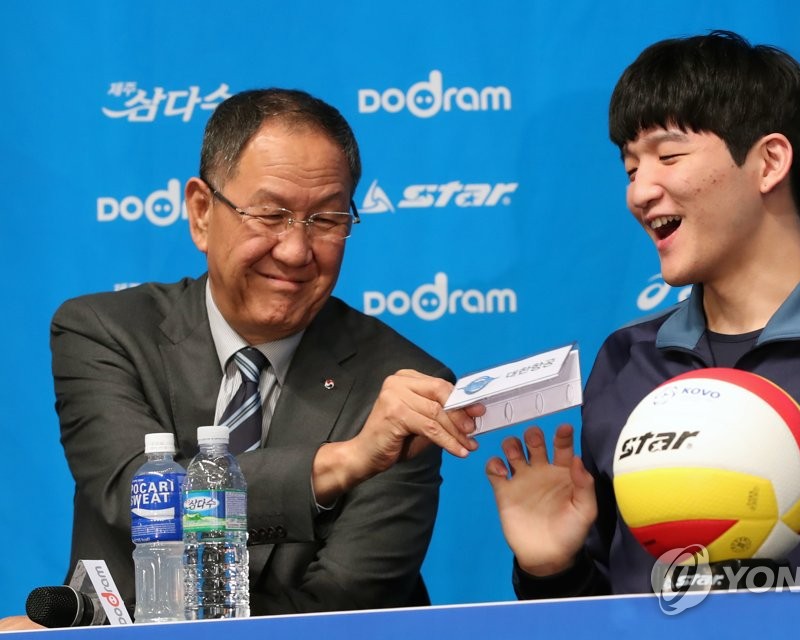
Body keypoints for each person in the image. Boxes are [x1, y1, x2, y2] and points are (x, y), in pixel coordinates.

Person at [486, 30, 800, 597]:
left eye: (668, 156)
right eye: (630, 169)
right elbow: (602, 614)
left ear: (769, 162)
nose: (639, 193)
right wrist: (552, 569)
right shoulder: (626, 359)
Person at [37, 88, 483, 622]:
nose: (295, 251)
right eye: (271, 215)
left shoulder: (401, 387)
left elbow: (345, 606)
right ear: (202, 213)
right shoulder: (105, 333)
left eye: (326, 219)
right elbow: (143, 499)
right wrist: (340, 463)